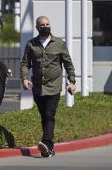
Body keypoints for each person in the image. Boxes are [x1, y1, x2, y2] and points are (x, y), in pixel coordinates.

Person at [19, 15, 76, 157]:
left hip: (54, 86)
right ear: (37, 27)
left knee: (50, 115)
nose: (45, 27)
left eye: (47, 24)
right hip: (38, 88)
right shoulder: (31, 44)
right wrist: (25, 78)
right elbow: (25, 64)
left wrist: (72, 82)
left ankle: (45, 142)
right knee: (44, 116)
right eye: (42, 25)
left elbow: (68, 64)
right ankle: (49, 149)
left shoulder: (59, 44)